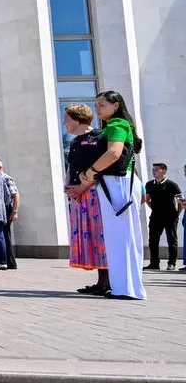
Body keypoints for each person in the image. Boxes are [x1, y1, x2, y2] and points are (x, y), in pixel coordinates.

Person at [80, 90, 146, 300]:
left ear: (116, 105)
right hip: (115, 183)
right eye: (96, 105)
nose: (98, 109)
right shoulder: (113, 126)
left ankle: (128, 289)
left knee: (122, 236)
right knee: (119, 237)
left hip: (118, 183)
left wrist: (90, 172)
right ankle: (123, 287)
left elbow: (114, 153)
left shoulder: (117, 125)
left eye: (102, 105)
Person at [62, 103, 109, 295]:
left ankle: (108, 281)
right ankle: (101, 281)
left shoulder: (99, 138)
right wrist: (67, 186)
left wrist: (83, 187)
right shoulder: (74, 141)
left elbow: (103, 167)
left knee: (100, 236)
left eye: (67, 119)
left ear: (76, 119)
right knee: (89, 237)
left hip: (93, 193)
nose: (65, 122)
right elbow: (71, 166)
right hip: (78, 196)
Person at [144, 163, 180, 271]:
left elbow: (182, 202)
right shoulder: (149, 184)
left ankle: (172, 263)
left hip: (170, 217)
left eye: (156, 170)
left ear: (164, 171)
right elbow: (147, 199)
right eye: (153, 170)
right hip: (155, 217)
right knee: (153, 240)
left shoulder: (172, 185)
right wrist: (154, 208)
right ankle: (154, 263)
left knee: (172, 240)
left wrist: (177, 213)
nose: (153, 172)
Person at [0, 161, 20, 269]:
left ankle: (10, 262)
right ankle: (0, 260)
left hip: (6, 208)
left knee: (5, 235)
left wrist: (15, 212)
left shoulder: (6, 178)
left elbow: (16, 195)